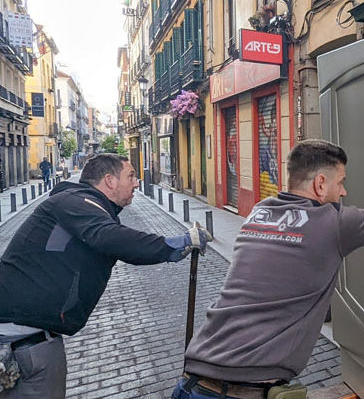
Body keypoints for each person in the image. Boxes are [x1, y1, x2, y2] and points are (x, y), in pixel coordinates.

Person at [172, 140, 364, 399]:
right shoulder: (333, 222)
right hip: (239, 392)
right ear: (320, 184)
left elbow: (296, 256)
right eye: (341, 182)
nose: (344, 191)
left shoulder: (260, 211)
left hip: (191, 381)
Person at [0, 154, 212, 398]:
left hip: (28, 339)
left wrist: (174, 250)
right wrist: (173, 244)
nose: (136, 183)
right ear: (109, 180)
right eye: (131, 176)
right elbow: (109, 236)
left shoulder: (81, 205)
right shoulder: (73, 201)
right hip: (24, 342)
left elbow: (121, 247)